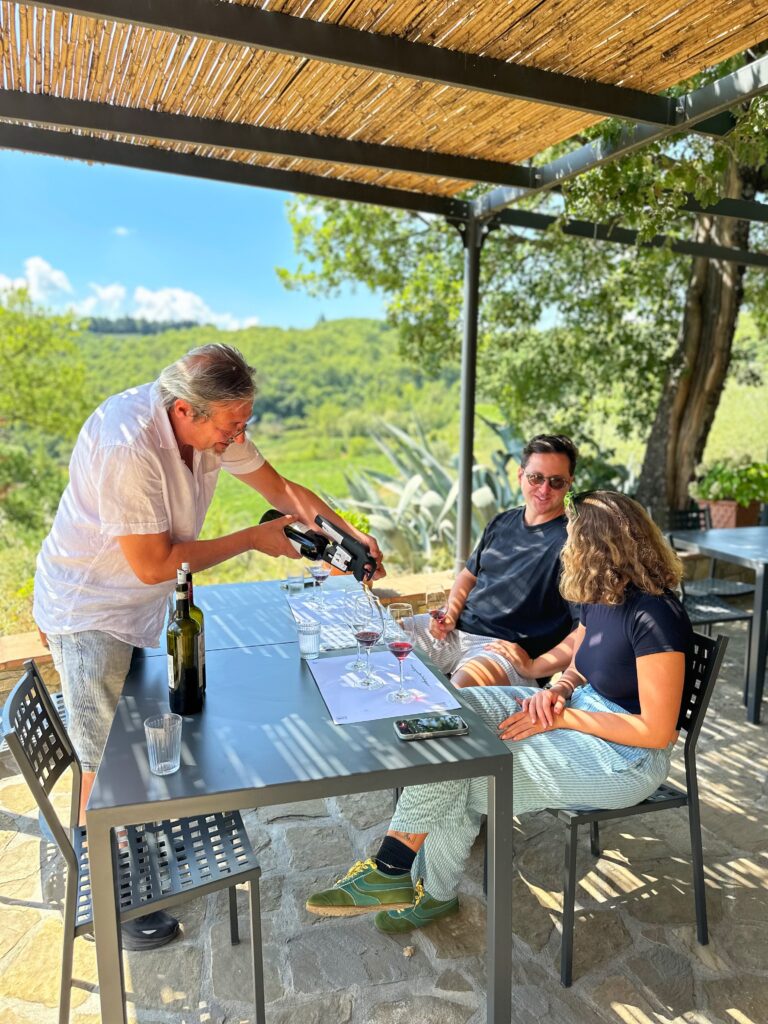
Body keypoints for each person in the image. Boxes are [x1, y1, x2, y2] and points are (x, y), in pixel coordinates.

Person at [34, 342, 383, 949]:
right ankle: (110, 901)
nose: (238, 437)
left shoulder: (212, 420)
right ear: (185, 412)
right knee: (105, 766)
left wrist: (348, 534)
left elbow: (280, 488)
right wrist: (252, 540)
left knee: (131, 747)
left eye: (242, 423)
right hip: (90, 611)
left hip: (138, 607)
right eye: (231, 427)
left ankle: (129, 843)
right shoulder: (127, 445)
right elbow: (154, 564)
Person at [306, 491, 693, 936]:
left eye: (571, 540)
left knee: (471, 773)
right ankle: (404, 879)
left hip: (625, 757)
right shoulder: (602, 594)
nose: (565, 549)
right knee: (450, 712)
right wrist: (560, 689)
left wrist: (563, 717)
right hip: (579, 711)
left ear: (595, 547)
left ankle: (408, 879)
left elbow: (656, 731)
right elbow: (584, 660)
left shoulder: (656, 616)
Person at [412, 434, 579, 688]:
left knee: (457, 698)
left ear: (570, 484)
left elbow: (586, 629)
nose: (544, 489)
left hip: (503, 652)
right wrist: (449, 614)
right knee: (385, 641)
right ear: (520, 475)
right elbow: (469, 576)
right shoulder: (502, 523)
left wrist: (535, 666)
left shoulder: (574, 543)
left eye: (556, 482)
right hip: (457, 633)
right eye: (536, 478)